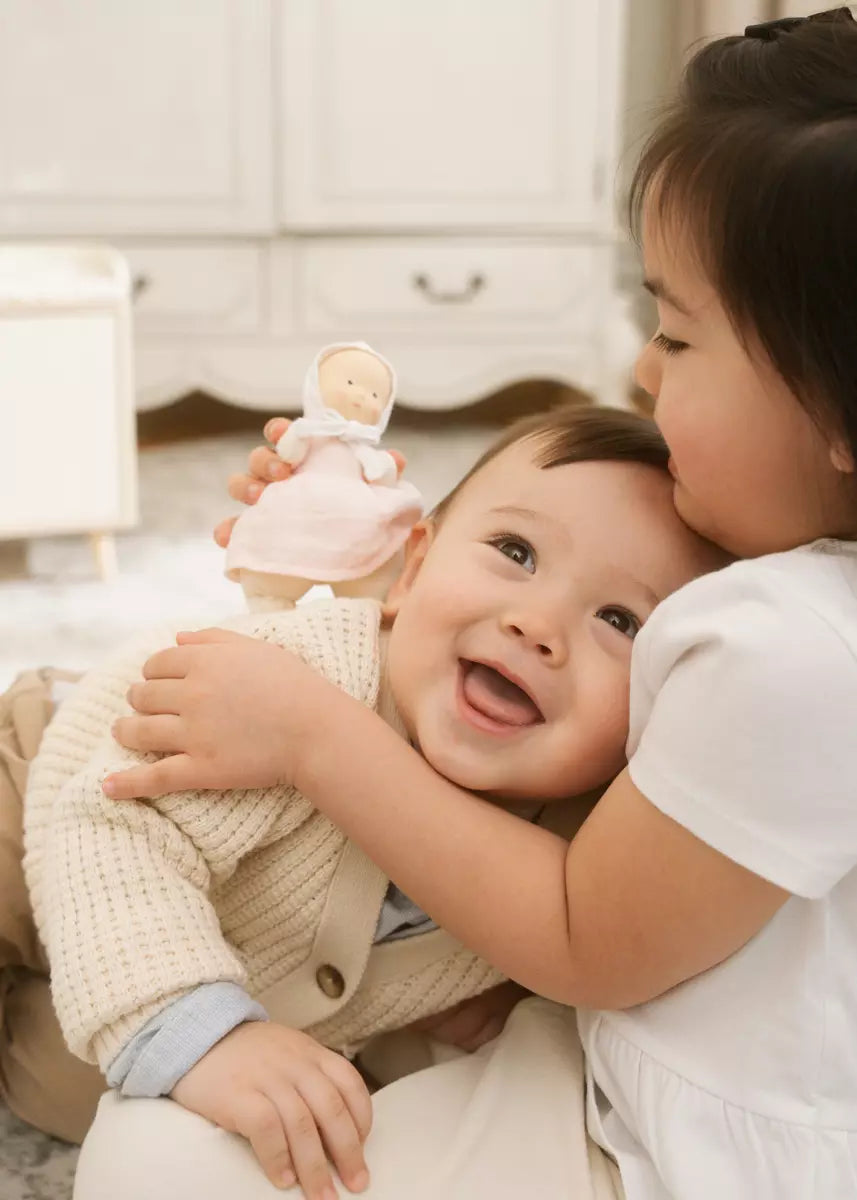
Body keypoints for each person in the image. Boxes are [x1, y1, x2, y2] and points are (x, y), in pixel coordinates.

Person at [75, 10, 857, 1199]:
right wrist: (349, 574)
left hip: (655, 1130)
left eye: (679, 337)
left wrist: (307, 726)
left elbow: (583, 931)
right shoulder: (781, 589)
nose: (642, 373)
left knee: (150, 1152)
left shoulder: (785, 651)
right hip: (94, 783)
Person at [10, 405, 721, 1200]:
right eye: (514, 552)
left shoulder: (589, 843)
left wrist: (473, 999)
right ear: (411, 570)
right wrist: (192, 1029)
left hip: (200, 939)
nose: (536, 624)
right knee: (158, 1032)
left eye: (619, 620)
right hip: (53, 785)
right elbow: (110, 829)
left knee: (75, 1081)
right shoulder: (314, 679)